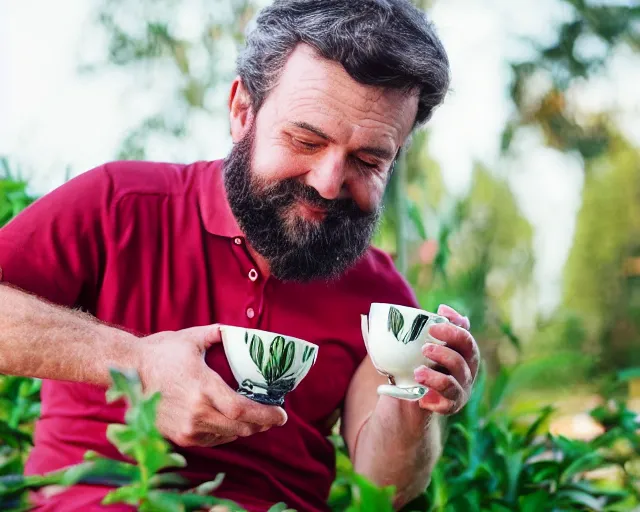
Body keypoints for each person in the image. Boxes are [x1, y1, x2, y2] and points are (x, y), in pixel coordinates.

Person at [0, 0, 480, 510]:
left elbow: (385, 486)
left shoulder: (381, 299)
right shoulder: (120, 203)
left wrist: (420, 394)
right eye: (305, 140)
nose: (329, 181)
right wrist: (133, 361)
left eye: (368, 160)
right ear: (242, 110)